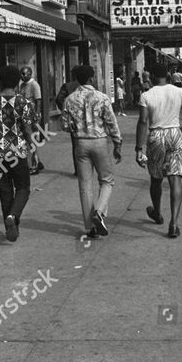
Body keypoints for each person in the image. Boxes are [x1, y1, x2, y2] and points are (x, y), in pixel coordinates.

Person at [135, 63, 182, 238]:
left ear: (153, 76)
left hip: (156, 135)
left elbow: (142, 121)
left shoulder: (146, 95)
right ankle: (174, 224)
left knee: (156, 178)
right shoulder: (179, 91)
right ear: (168, 75)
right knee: (175, 178)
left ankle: (157, 212)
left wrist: (138, 148)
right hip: (175, 133)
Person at [61, 65, 122, 239]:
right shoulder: (102, 98)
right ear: (91, 78)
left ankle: (89, 228)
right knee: (107, 181)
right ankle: (99, 212)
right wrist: (117, 143)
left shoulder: (70, 99)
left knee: (85, 185)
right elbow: (111, 122)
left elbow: (65, 125)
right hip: (100, 142)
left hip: (80, 144)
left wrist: (75, 128)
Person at [0, 66, 34, 241]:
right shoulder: (24, 103)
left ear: (1, 80)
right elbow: (27, 129)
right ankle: (14, 216)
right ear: (18, 81)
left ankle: (10, 227)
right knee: (23, 188)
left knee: (5, 191)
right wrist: (33, 149)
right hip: (18, 152)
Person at [56, 65, 80, 176]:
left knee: (76, 145)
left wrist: (65, 111)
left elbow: (59, 99)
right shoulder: (87, 86)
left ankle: (78, 170)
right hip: (87, 120)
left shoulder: (67, 86)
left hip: (73, 120)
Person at [19, 66, 44, 174]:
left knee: (31, 139)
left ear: (30, 74)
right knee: (29, 139)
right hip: (24, 115)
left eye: (24, 74)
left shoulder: (34, 85)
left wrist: (37, 115)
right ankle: (38, 161)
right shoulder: (22, 85)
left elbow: (38, 100)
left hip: (31, 115)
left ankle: (35, 165)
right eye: (21, 74)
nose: (22, 76)